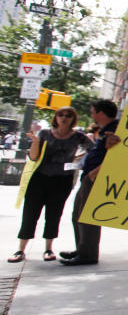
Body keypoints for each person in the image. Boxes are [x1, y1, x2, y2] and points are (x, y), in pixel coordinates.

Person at [8, 107, 94, 263]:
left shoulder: (78, 137)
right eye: (60, 115)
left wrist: (79, 161)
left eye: (68, 116)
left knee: (54, 214)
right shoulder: (45, 134)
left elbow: (94, 150)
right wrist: (35, 142)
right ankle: (20, 249)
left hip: (62, 180)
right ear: (56, 117)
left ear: (72, 119)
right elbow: (34, 157)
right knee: (30, 213)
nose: (64, 118)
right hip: (39, 178)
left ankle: (48, 249)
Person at [59, 100, 120, 266]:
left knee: (86, 216)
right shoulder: (106, 130)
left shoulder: (116, 129)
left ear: (101, 113)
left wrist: (96, 172)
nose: (92, 115)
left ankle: (87, 254)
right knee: (77, 214)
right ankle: (82, 249)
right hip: (88, 176)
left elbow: (119, 155)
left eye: (93, 112)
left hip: (95, 178)